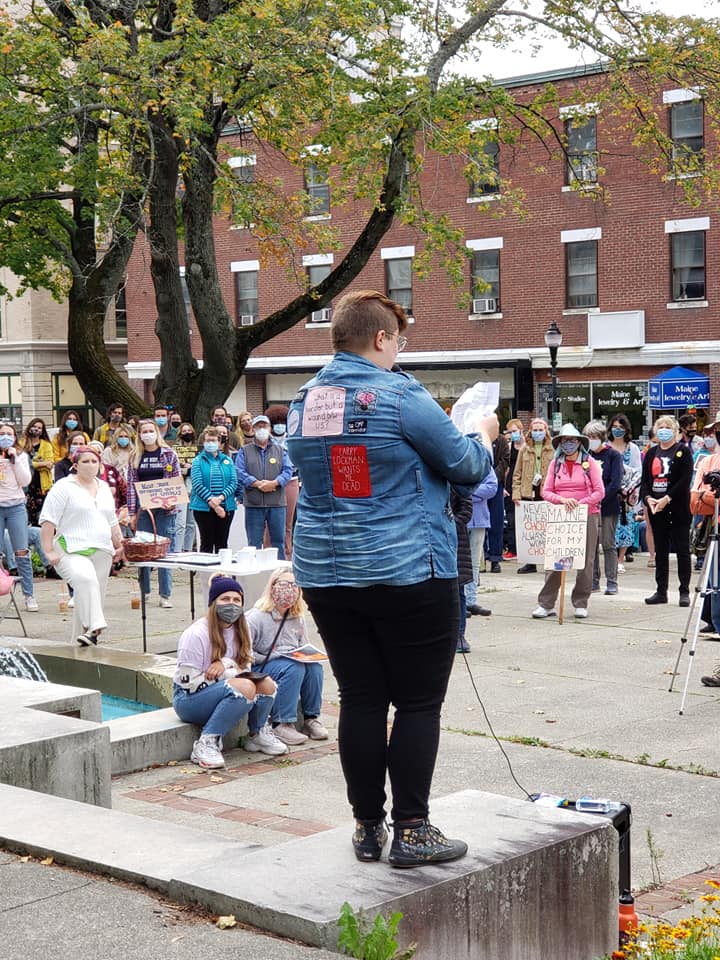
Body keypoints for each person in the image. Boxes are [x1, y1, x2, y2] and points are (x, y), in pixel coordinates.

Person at [286, 290, 494, 868]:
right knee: (419, 703)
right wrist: (482, 431)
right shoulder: (400, 395)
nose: (399, 351)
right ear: (381, 338)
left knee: (360, 698)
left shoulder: (303, 401)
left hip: (328, 572)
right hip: (407, 568)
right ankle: (413, 829)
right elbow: (467, 466)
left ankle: (366, 827)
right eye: (398, 341)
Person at [173, 575, 284, 768]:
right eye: (225, 599)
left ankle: (257, 734)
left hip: (220, 687)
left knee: (266, 684)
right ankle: (206, 742)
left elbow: (246, 669)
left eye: (236, 600)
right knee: (244, 687)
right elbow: (190, 683)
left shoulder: (242, 629)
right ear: (213, 603)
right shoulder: (195, 635)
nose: (231, 604)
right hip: (188, 699)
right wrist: (231, 675)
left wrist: (225, 664)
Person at [39, 445, 124, 645]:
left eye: (94, 461)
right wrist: (48, 550)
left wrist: (120, 545)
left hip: (102, 549)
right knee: (86, 580)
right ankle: (97, 624)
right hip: (70, 548)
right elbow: (48, 520)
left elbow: (112, 520)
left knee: (92, 596)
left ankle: (82, 642)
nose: (90, 465)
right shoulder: (63, 487)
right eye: (85, 461)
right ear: (75, 465)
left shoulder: (104, 488)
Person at [245, 568, 328, 746]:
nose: (289, 589)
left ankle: (311, 718)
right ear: (273, 586)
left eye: (294, 585)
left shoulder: (297, 617)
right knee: (293, 668)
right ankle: (282, 723)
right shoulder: (256, 617)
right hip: (262, 666)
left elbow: (304, 645)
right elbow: (245, 655)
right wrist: (275, 656)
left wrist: (308, 655)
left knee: (314, 667)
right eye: (284, 584)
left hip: (289, 661)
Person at [532, 424, 604, 620]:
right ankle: (546, 603)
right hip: (561, 517)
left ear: (579, 442)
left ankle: (581, 602)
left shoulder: (590, 463)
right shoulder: (555, 464)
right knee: (556, 560)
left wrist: (580, 504)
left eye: (572, 440)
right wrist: (563, 500)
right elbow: (546, 492)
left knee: (585, 561)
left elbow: (600, 492)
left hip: (587, 515)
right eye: (564, 440)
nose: (568, 444)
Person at [639, 415, 693, 607]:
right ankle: (661, 591)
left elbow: (685, 479)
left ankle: (684, 591)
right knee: (660, 550)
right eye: (660, 426)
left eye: (668, 427)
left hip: (677, 507)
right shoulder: (651, 453)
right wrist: (648, 498)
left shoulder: (682, 451)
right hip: (656, 507)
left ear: (675, 431)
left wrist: (667, 498)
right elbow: (645, 481)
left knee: (682, 550)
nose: (664, 430)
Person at [126, 419, 180, 608]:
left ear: (157, 432)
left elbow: (175, 480)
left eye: (151, 430)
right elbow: (131, 486)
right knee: (143, 551)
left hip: (165, 508)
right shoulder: (135, 456)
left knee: (164, 552)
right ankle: (145, 591)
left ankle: (165, 595)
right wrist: (132, 513)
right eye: (144, 431)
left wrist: (172, 502)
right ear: (139, 435)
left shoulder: (169, 454)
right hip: (143, 508)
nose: (148, 434)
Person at [235, 414, 292, 558]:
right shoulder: (244, 451)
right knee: (253, 544)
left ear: (269, 428)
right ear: (253, 429)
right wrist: (257, 483)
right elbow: (239, 471)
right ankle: (254, 571)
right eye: (258, 426)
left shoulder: (281, 450)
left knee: (278, 542)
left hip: (277, 504)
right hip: (254, 504)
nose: (262, 429)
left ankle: (279, 570)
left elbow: (288, 471)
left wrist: (275, 483)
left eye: (264, 426)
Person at [584, 420, 623, 596]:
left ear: (601, 437)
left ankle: (612, 581)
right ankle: (593, 580)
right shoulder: (586, 456)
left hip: (608, 505)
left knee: (608, 543)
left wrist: (599, 497)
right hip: (590, 506)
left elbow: (615, 482)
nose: (591, 440)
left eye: (593, 437)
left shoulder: (613, 455)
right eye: (588, 437)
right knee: (591, 545)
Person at [512, 417, 554, 574]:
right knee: (530, 529)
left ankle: (548, 560)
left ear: (546, 431)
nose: (538, 433)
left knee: (546, 527)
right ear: (530, 431)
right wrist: (516, 493)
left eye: (540, 430)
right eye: (535, 430)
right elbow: (517, 473)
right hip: (528, 491)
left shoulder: (553, 449)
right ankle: (530, 562)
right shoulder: (524, 449)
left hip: (546, 491)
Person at [190, 426, 238, 553]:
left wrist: (221, 497)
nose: (210, 443)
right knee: (206, 544)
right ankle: (205, 567)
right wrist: (214, 504)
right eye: (208, 440)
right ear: (203, 442)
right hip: (203, 508)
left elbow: (233, 482)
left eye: (213, 440)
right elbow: (197, 484)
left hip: (226, 507)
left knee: (222, 544)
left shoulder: (228, 460)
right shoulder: (197, 461)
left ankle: (221, 567)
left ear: (219, 442)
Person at [264, 404, 299, 560]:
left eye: (282, 422)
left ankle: (287, 557)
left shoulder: (293, 440)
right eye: (276, 422)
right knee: (269, 524)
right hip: (270, 484)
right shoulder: (265, 441)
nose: (280, 425)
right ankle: (268, 555)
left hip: (291, 481)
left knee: (288, 524)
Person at [608, 413, 642, 572]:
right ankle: (611, 559)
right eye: (614, 427)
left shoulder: (632, 448)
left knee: (626, 526)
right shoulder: (606, 446)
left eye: (621, 427)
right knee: (610, 527)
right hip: (609, 492)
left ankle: (620, 559)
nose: (617, 430)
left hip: (627, 494)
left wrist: (631, 491)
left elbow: (638, 471)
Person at [464, 465, 497, 619]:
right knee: (458, 562)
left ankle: (470, 600)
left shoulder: (484, 463)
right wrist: (478, 493)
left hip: (479, 520)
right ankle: (460, 600)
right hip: (459, 518)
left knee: (474, 563)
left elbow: (491, 488)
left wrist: (468, 491)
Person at [452, 488, 475, 654]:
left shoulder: (455, 480)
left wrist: (448, 525)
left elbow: (466, 510)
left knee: (458, 590)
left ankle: (459, 635)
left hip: (455, 540)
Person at [20, 418, 54, 526]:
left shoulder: (46, 445)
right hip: (25, 485)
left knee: (41, 517)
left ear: (42, 431)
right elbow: (20, 463)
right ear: (29, 427)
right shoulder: (22, 443)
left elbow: (49, 464)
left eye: (39, 428)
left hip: (41, 485)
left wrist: (31, 463)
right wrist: (41, 463)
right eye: (34, 426)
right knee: (25, 516)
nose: (36, 429)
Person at [485, 430, 509, 573]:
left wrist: (493, 477)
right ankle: (481, 558)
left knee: (496, 522)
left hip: (496, 484)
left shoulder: (501, 440)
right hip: (479, 483)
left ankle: (495, 558)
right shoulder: (477, 437)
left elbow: (505, 460)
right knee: (479, 523)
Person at [173, 422, 199, 552]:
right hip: (180, 488)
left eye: (189, 431)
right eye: (184, 431)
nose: (187, 433)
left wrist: (191, 467)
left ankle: (188, 549)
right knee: (180, 522)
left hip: (195, 489)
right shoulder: (174, 451)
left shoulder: (198, 450)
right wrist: (184, 467)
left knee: (191, 523)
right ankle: (177, 549)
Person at [503, 418, 525, 559]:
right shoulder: (508, 447)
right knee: (511, 519)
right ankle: (512, 548)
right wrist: (503, 486)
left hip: (524, 485)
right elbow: (505, 468)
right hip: (510, 485)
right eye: (510, 432)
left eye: (514, 431)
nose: (512, 434)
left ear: (521, 430)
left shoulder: (527, 447)